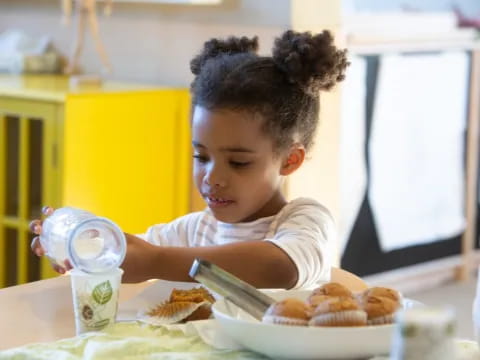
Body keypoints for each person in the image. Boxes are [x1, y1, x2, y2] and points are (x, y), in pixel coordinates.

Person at [30, 29, 349, 290]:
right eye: (201, 156)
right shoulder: (194, 231)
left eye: (238, 162)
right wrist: (84, 250)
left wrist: (155, 262)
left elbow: (278, 268)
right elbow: (132, 257)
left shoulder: (305, 221)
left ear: (290, 160)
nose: (212, 178)